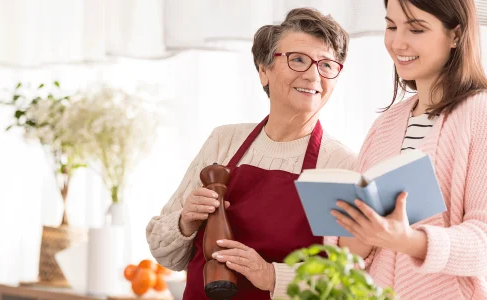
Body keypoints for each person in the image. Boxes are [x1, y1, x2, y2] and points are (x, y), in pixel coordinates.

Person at [146, 8, 356, 299]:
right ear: (263, 70)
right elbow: (165, 254)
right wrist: (185, 222)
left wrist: (272, 276)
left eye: (326, 65)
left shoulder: (341, 165)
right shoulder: (225, 141)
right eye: (297, 60)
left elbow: (346, 278)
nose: (312, 75)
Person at [331, 0, 487, 298]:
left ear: (455, 35)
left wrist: (410, 241)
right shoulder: (385, 125)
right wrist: (357, 233)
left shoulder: (480, 113)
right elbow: (354, 255)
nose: (397, 42)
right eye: (391, 27)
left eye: (416, 28)